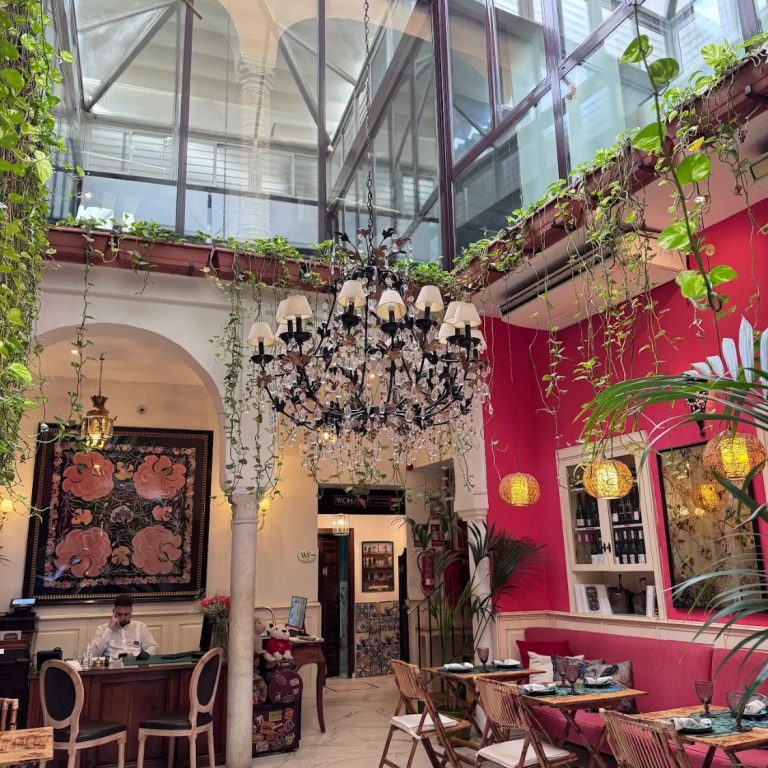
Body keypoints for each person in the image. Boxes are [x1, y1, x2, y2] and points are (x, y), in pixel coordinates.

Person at [91, 596, 160, 657]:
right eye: (119, 614)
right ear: (114, 612)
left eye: (126, 614)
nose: (123, 618)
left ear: (131, 611)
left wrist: (138, 655)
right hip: (112, 664)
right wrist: (109, 629)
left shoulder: (141, 627)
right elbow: (92, 654)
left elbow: (154, 648)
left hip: (135, 663)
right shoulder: (102, 629)